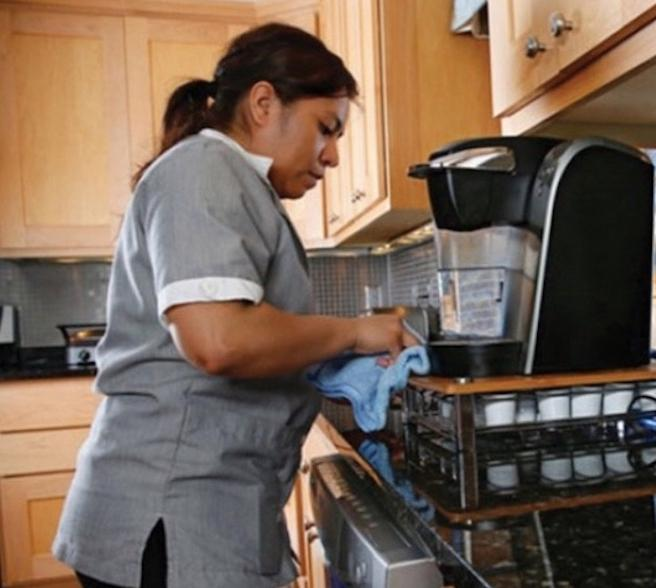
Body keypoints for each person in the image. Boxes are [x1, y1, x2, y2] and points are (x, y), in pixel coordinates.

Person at [52, 23, 416, 588]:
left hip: (199, 518)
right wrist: (352, 333)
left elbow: (255, 334)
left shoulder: (237, 186)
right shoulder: (203, 168)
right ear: (264, 102)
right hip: (168, 520)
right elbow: (219, 340)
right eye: (326, 129)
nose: (334, 155)